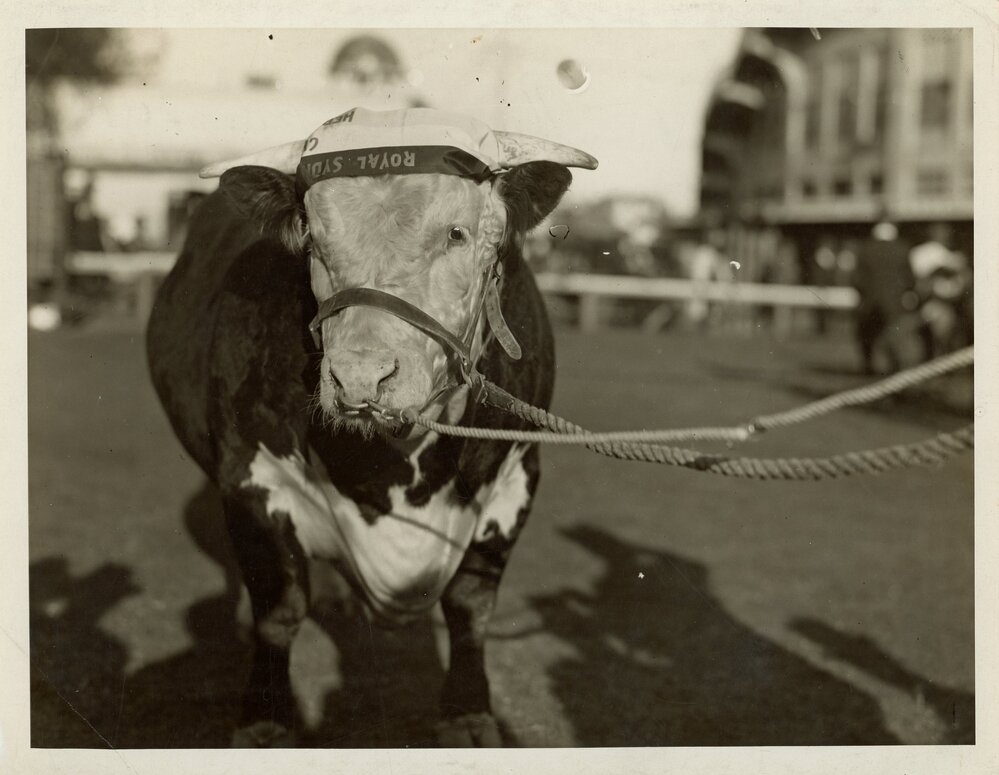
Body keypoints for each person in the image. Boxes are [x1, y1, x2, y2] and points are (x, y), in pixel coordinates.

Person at [852, 220, 920, 374]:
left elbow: (856, 279)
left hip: (869, 305)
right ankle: (895, 371)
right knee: (894, 339)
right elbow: (911, 279)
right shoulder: (902, 248)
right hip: (895, 306)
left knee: (868, 338)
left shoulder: (865, 249)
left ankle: (869, 367)